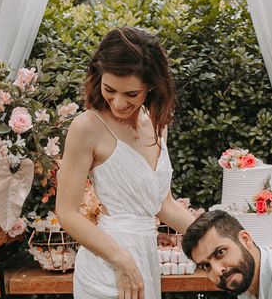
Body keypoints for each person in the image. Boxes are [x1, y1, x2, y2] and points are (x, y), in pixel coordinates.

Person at [56, 27, 196, 299]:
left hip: (145, 258)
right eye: (109, 90)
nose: (118, 103)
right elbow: (66, 212)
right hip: (107, 262)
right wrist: (121, 259)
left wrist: (215, 237)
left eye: (131, 94)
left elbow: (162, 205)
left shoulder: (157, 123)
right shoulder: (87, 127)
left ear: (152, 86)